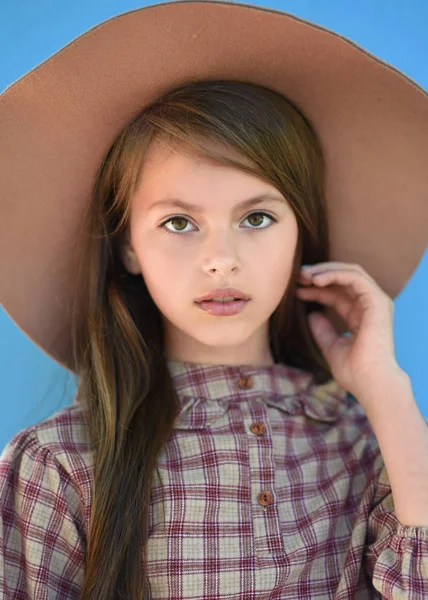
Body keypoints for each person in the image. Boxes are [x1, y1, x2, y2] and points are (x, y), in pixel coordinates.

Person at [0, 2, 427, 599]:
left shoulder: (368, 446)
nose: (221, 258)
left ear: (300, 231)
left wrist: (387, 389)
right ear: (128, 248)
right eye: (178, 223)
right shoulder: (59, 463)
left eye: (256, 217)